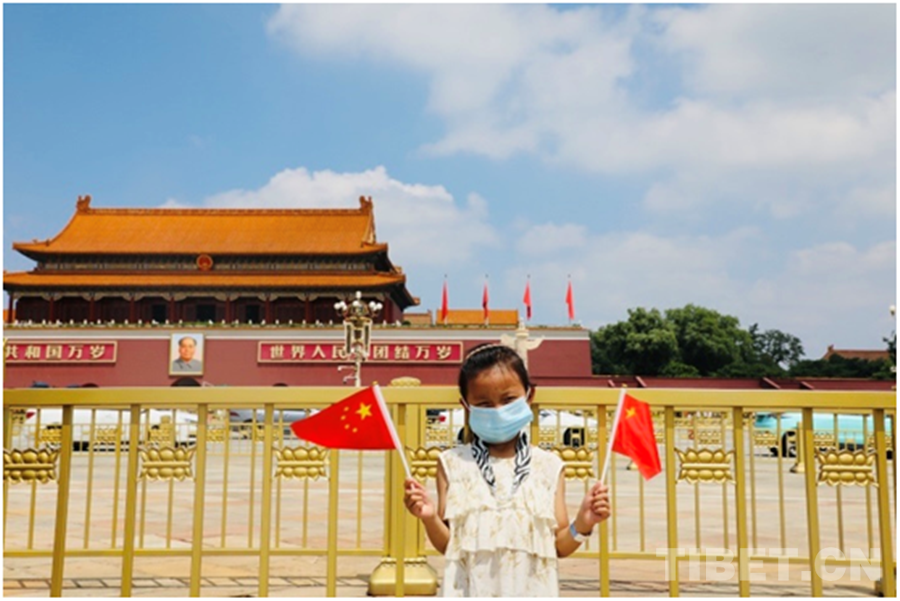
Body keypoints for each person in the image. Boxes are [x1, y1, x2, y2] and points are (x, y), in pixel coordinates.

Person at [404, 343, 610, 597]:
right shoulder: (453, 463)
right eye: (484, 404)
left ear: (529, 395)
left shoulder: (548, 466)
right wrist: (429, 518)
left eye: (508, 400)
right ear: (466, 405)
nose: (498, 411)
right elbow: (449, 545)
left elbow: (559, 546)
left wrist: (583, 523)